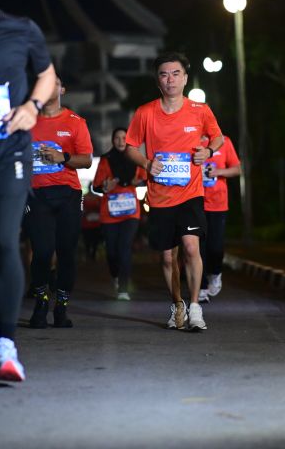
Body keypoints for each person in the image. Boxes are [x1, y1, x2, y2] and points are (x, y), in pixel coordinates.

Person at [0, 0, 55, 382]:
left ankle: (7, 344)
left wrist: (31, 106)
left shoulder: (21, 29)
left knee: (6, 240)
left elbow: (46, 74)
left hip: (10, 150)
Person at [125, 52, 224, 331]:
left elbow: (217, 137)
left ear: (185, 78)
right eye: (164, 74)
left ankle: (195, 308)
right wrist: (147, 163)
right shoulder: (145, 113)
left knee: (191, 247)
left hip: (191, 193)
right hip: (159, 197)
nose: (170, 79)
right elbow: (130, 147)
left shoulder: (199, 110)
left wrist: (208, 151)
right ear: (158, 80)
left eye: (175, 73)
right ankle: (177, 304)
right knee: (168, 256)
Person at [25, 76, 93, 329]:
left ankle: (61, 307)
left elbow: (86, 160)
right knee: (42, 251)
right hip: (36, 195)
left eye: (54, 82)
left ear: (62, 89)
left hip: (68, 194)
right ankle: (41, 301)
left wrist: (62, 157)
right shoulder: (27, 120)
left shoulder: (75, 122)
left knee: (66, 253)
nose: (48, 86)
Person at [93, 127, 146, 301]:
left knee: (124, 247)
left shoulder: (136, 158)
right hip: (109, 212)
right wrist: (105, 186)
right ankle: (115, 275)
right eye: (117, 138)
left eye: (124, 138)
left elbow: (145, 178)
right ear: (112, 140)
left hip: (131, 212)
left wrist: (138, 182)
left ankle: (123, 289)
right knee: (111, 251)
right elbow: (96, 186)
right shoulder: (106, 159)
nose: (121, 141)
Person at [199, 135, 241, 303]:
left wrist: (218, 172)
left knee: (215, 247)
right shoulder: (190, 140)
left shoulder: (224, 141)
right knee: (198, 248)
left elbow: (237, 169)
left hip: (218, 204)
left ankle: (215, 273)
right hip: (196, 204)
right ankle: (201, 288)